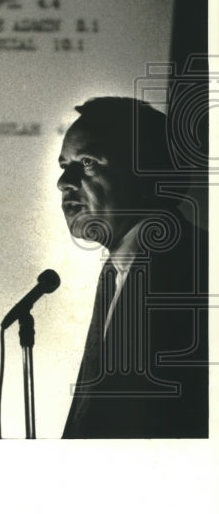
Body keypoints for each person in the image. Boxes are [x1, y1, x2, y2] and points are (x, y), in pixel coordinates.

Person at [57, 97, 208, 438]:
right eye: (64, 165)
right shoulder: (115, 273)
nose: (64, 182)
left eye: (88, 163)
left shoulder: (199, 268)